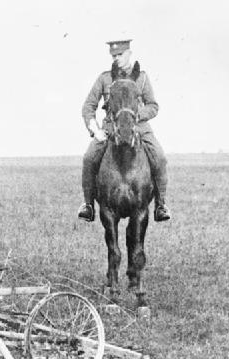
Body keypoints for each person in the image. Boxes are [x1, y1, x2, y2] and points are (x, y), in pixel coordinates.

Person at [78, 39, 171, 223]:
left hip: (139, 128)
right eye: (113, 55)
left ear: (129, 53)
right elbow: (88, 106)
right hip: (110, 129)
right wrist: (96, 130)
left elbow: (153, 106)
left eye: (120, 54)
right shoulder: (104, 78)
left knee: (160, 157)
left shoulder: (142, 78)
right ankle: (88, 205)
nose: (116, 58)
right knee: (89, 157)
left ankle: (160, 205)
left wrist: (136, 115)